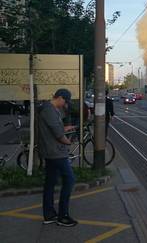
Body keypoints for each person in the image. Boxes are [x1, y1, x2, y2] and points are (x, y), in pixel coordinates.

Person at [39, 88, 78, 227]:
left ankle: (49, 214)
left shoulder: (51, 109)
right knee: (69, 179)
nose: (65, 104)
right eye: (65, 101)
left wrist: (66, 128)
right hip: (55, 152)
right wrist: (69, 142)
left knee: (50, 182)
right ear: (60, 97)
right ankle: (63, 216)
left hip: (51, 151)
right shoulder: (49, 110)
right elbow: (58, 135)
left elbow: (56, 128)